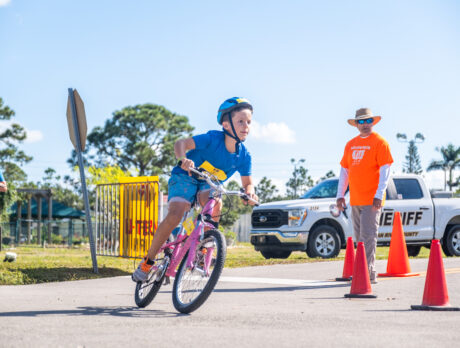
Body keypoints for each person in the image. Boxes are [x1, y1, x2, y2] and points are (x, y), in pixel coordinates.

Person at [132, 97, 258, 282]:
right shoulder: (212, 139)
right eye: (240, 121)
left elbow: (248, 182)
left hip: (208, 183)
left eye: (248, 122)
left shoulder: (244, 156)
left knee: (216, 201)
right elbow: (180, 144)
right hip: (186, 176)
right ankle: (148, 262)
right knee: (176, 213)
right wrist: (183, 159)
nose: (246, 126)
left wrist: (250, 192)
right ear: (226, 124)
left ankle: (203, 251)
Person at [336, 108, 393, 284]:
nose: (365, 125)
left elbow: (386, 170)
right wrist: (340, 195)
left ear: (373, 122)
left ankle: (368, 273)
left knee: (368, 236)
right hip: (356, 199)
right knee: (360, 238)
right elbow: (345, 171)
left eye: (367, 121)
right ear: (356, 125)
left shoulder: (380, 142)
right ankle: (362, 271)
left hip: (372, 199)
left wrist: (379, 194)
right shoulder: (350, 144)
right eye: (360, 122)